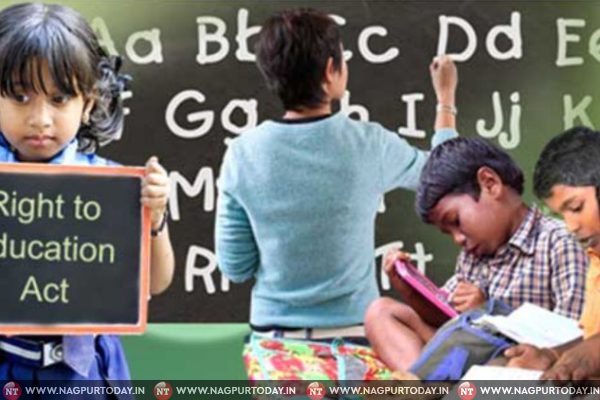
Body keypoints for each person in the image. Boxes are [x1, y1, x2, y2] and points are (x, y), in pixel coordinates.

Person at [215, 8, 458, 380]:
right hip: (360, 344)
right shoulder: (368, 145)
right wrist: (445, 98)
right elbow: (445, 175)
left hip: (276, 352)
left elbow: (235, 267)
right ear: (331, 71)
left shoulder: (242, 154)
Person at [0, 2, 175, 386]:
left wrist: (156, 215)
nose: (40, 119)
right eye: (20, 97)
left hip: (87, 375)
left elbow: (154, 282)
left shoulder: (108, 186)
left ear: (88, 103)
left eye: (59, 99)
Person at [365, 137, 587, 371]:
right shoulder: (473, 256)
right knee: (380, 312)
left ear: (490, 184)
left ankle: (430, 383)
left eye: (456, 221)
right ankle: (424, 384)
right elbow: (445, 321)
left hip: (517, 363)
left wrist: (487, 317)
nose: (458, 239)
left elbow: (574, 342)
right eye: (448, 232)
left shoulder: (560, 243)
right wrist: (411, 292)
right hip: (464, 358)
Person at [505, 126, 600, 381]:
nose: (571, 226)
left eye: (576, 207)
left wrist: (589, 354)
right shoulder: (595, 255)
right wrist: (551, 356)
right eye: (562, 214)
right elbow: (593, 336)